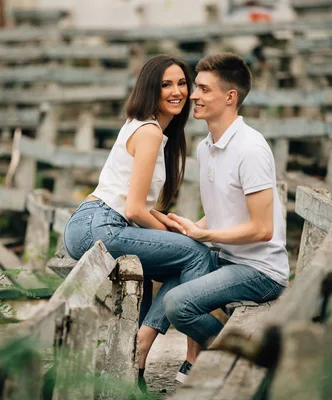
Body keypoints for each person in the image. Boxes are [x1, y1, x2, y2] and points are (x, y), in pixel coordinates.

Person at [62, 55, 213, 391]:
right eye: (166, 84)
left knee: (178, 263)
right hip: (103, 225)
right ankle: (144, 344)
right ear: (150, 89)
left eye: (182, 83)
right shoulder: (148, 131)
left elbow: (137, 203)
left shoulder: (147, 128)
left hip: (90, 222)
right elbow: (132, 209)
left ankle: (134, 373)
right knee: (198, 255)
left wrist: (169, 222)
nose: (177, 91)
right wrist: (179, 236)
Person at [163, 53, 289, 380]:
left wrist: (206, 236)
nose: (193, 95)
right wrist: (192, 227)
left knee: (178, 304)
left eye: (204, 89)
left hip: (260, 271)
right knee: (164, 262)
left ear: (230, 97)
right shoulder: (206, 147)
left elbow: (262, 229)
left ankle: (236, 353)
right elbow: (223, 211)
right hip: (227, 258)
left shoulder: (251, 148)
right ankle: (149, 353)